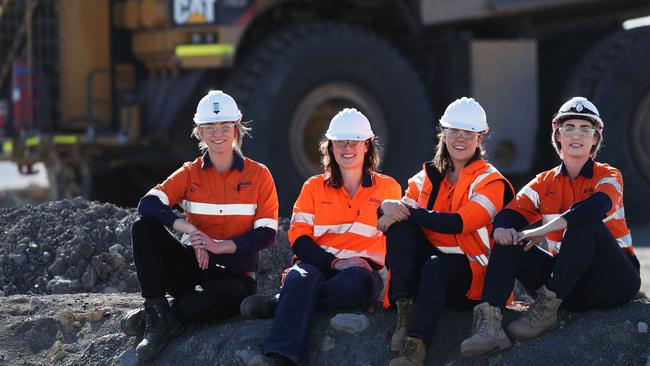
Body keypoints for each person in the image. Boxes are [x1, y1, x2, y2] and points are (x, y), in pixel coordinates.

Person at [460, 96, 641, 356]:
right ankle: (490, 326)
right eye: (569, 128)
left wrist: (538, 232)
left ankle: (545, 312)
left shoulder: (609, 175)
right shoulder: (544, 182)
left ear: (595, 139)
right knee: (508, 238)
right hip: (570, 287)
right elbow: (509, 215)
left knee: (585, 222)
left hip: (613, 281)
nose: (576, 135)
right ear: (558, 136)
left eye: (584, 129)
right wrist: (502, 230)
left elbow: (594, 208)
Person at [120, 90, 279, 362]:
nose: (218, 134)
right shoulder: (189, 172)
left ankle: (165, 314)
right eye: (209, 128)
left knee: (196, 308)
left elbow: (267, 234)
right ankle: (157, 315)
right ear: (199, 132)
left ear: (236, 129)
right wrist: (191, 231)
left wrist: (223, 246)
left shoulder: (259, 175)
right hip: (194, 268)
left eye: (224, 126)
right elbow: (148, 204)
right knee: (143, 227)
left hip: (236, 276)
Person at [239, 108, 402, 366]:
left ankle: (283, 304)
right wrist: (336, 262)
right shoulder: (313, 187)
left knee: (353, 285)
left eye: (354, 142)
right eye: (340, 142)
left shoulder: (388, 188)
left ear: (367, 145)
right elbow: (300, 240)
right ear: (331, 146)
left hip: (361, 272)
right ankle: (282, 357)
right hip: (317, 264)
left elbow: (397, 241)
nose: (347, 148)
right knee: (299, 277)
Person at [379, 97, 514, 366]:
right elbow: (395, 216)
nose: (460, 139)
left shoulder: (491, 181)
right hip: (431, 269)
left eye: (469, 133)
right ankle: (405, 311)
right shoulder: (426, 177)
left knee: (434, 264)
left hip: (472, 278)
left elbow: (459, 223)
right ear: (443, 132)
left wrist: (401, 210)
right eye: (454, 131)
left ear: (481, 137)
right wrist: (384, 207)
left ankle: (415, 349)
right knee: (402, 228)